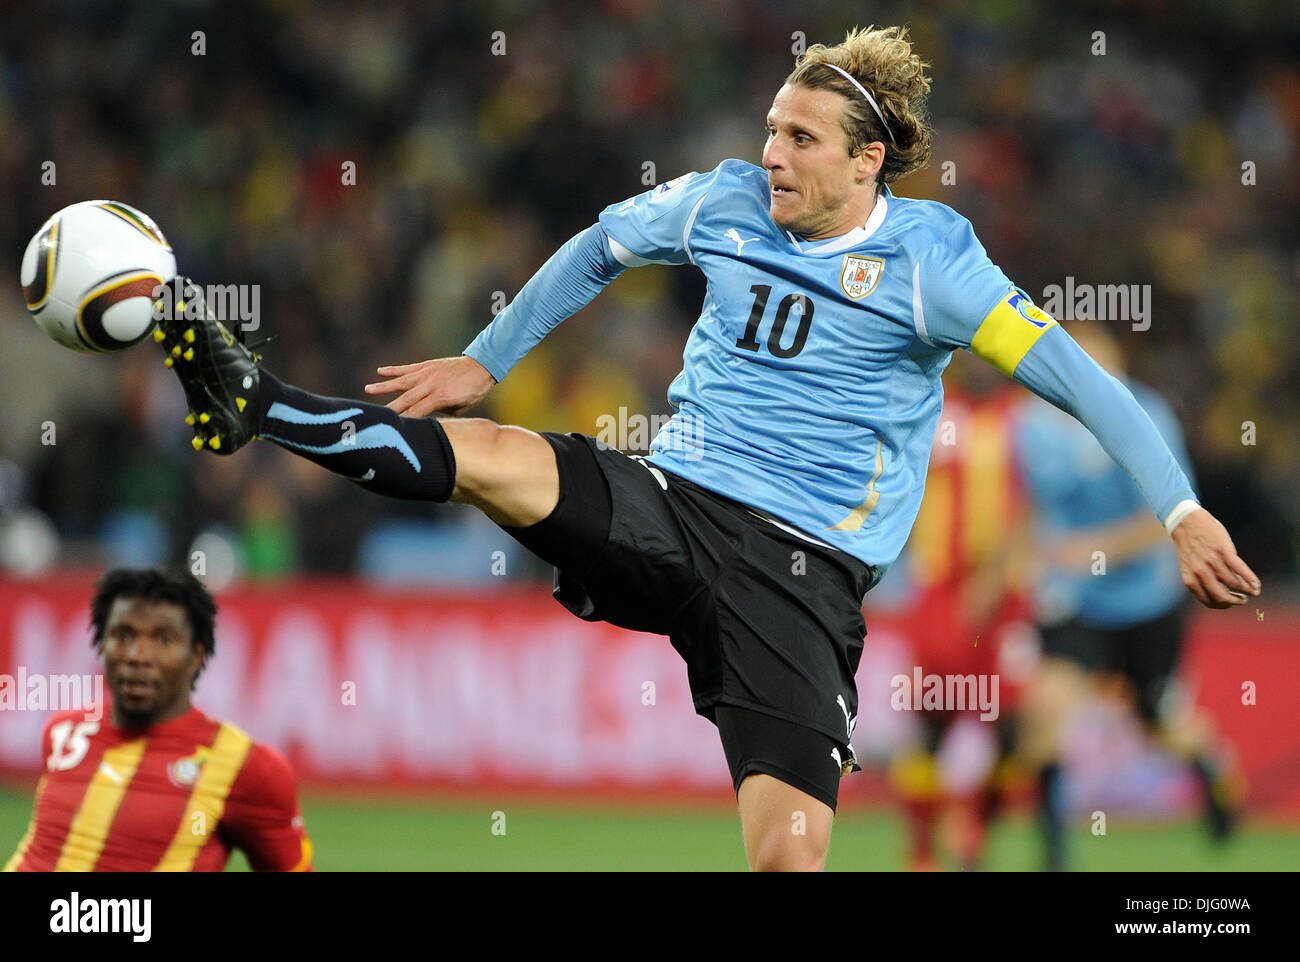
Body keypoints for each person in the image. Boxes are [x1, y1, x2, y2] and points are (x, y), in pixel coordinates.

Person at [151, 25, 1260, 871]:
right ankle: (262, 402)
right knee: (486, 450)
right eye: (770, 128)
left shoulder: (936, 264)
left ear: (867, 160)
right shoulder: (721, 200)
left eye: (798, 137)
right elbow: (597, 244)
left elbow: (1080, 382)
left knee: (789, 850)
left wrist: (1179, 510)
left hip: (801, 573)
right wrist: (485, 357)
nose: (768, 152)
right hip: (672, 500)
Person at [1014, 322, 1245, 871]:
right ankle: (1055, 851)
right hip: (1076, 601)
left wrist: (1094, 547)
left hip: (1147, 601)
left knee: (1159, 723)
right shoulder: (1034, 425)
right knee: (1046, 709)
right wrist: (1020, 556)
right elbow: (1031, 507)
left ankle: (1211, 768)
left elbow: (1167, 518)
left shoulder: (1147, 414)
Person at [3, 568, 313, 872]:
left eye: (163, 640)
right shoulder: (65, 732)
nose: (138, 655)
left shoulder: (247, 768)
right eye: (123, 635)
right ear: (101, 645)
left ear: (195, 656)